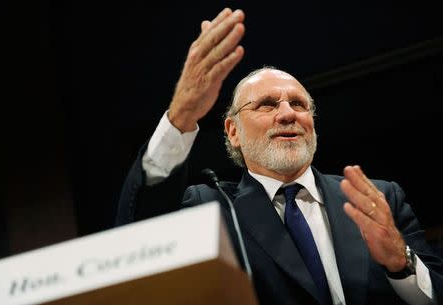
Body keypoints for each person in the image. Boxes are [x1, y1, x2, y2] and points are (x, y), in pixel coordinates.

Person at [115, 8, 443, 305]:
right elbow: (139, 233)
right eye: (267, 104)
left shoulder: (379, 199)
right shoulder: (211, 209)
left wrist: (401, 262)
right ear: (232, 131)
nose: (288, 114)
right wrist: (181, 116)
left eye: (299, 104)